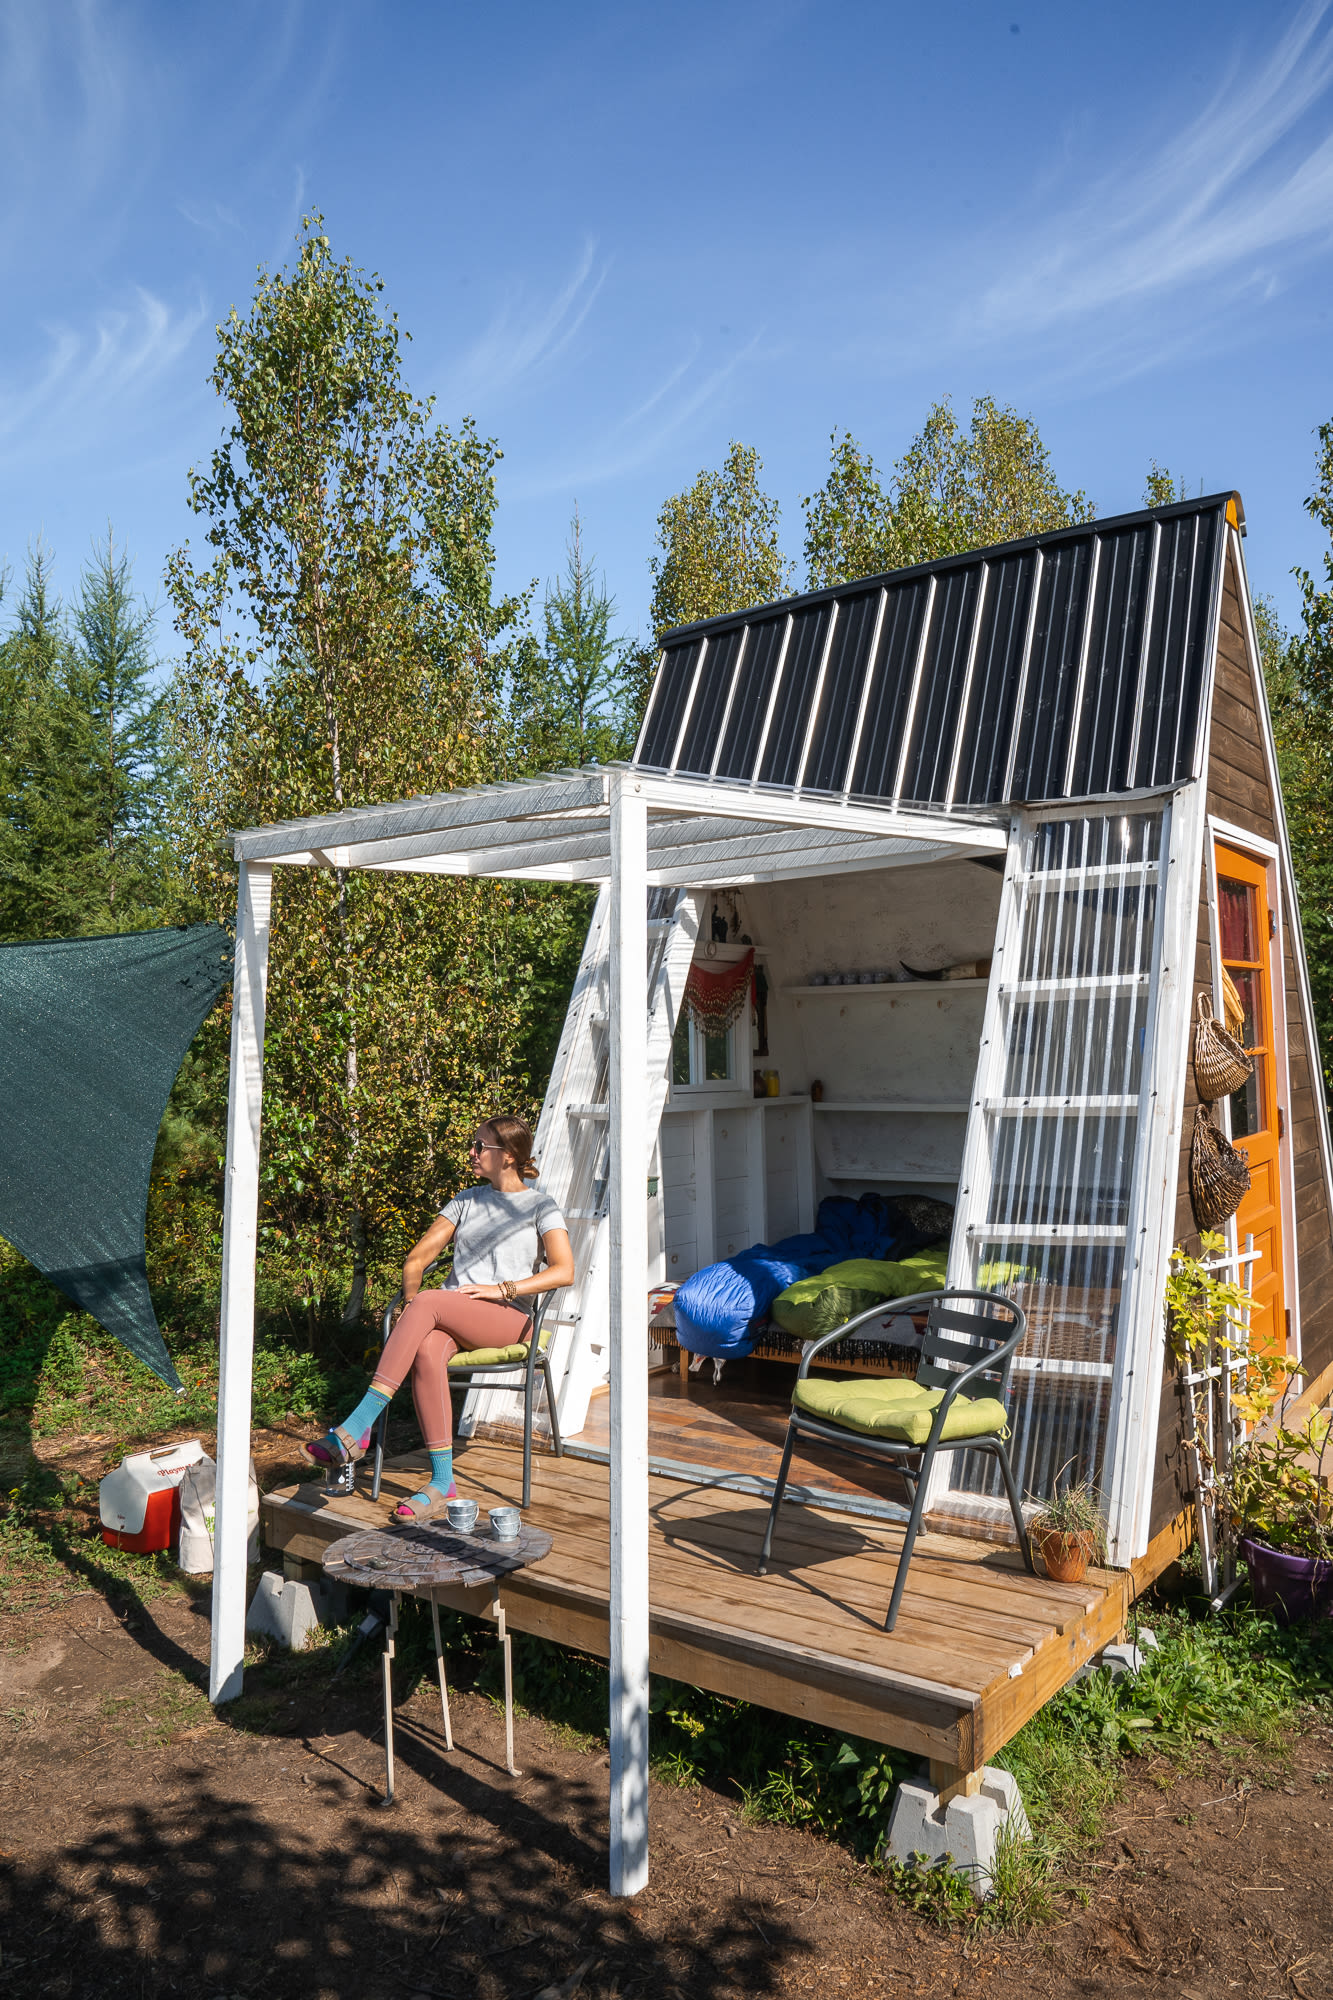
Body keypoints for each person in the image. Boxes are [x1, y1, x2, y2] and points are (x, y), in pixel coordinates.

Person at [300, 1115, 573, 1522]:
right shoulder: (466, 1199)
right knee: (427, 1348)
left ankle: (358, 1426)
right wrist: (413, 1300)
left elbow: (563, 1269)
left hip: (509, 1319)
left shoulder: (539, 1206)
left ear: (510, 1156)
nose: (472, 1153)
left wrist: (502, 1290)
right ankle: (443, 1481)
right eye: (473, 1144)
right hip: (451, 1314)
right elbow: (418, 1258)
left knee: (429, 1301)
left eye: (481, 1147)